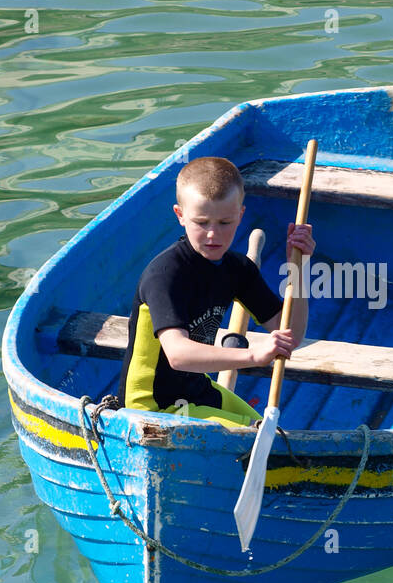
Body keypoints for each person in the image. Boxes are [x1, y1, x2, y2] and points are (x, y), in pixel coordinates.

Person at [117, 155, 314, 428]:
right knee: (258, 438)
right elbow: (179, 355)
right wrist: (253, 356)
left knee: (273, 436)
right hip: (152, 408)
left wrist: (299, 266)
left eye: (225, 223)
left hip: (197, 389)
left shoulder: (237, 269)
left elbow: (290, 333)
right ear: (180, 215)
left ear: (240, 215)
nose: (213, 235)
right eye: (202, 222)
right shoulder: (165, 275)